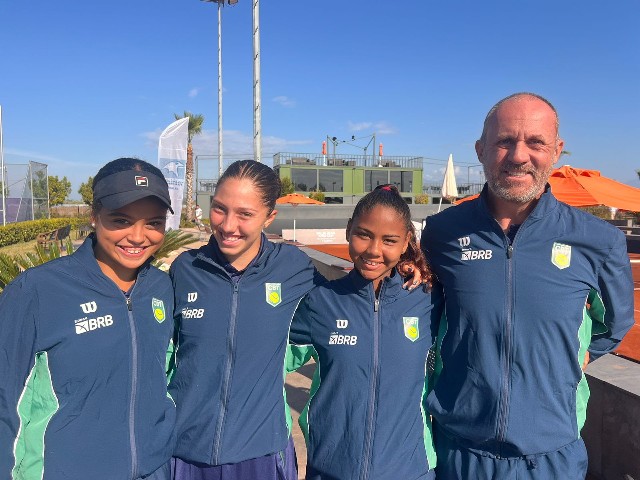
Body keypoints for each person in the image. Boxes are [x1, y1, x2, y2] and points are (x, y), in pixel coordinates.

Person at [421, 93, 634, 479]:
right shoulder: (441, 233)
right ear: (481, 150)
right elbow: (425, 321)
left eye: (535, 142)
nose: (519, 155)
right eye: (504, 141)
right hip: (458, 450)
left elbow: (615, 325)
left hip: (552, 455)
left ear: (556, 151)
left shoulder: (598, 240)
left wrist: (572, 358)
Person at [168, 161, 423, 480]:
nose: (229, 225)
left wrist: (410, 267)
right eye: (220, 209)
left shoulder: (294, 268)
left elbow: (356, 297)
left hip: (263, 454)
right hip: (184, 451)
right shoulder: (183, 270)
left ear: (269, 217)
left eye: (245, 214)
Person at [0, 157, 177, 480]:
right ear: (94, 216)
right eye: (121, 220)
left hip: (154, 470)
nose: (138, 237)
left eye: (153, 222)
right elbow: (4, 399)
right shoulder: (38, 290)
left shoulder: (162, 287)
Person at [289, 184, 442, 480]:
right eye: (364, 234)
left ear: (407, 241)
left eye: (389, 240)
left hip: (410, 471)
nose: (373, 250)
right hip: (330, 470)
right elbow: (267, 363)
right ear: (348, 230)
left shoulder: (430, 300)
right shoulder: (320, 301)